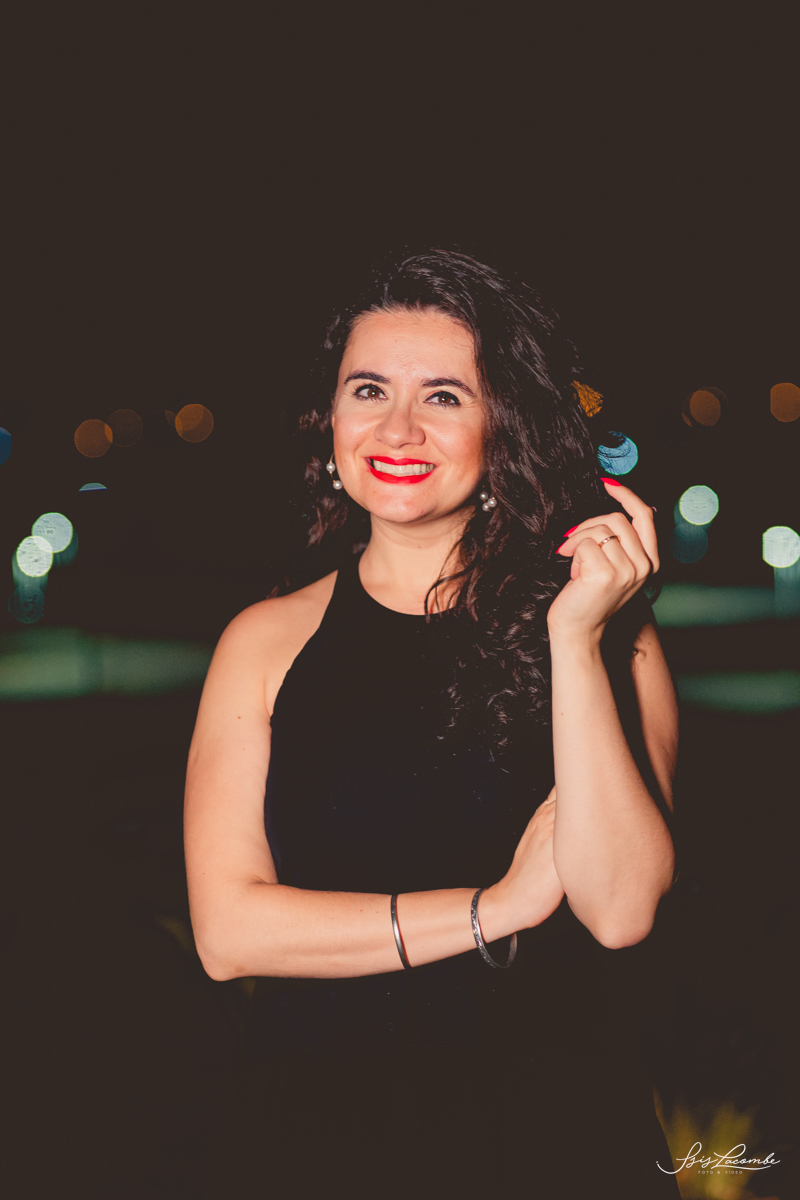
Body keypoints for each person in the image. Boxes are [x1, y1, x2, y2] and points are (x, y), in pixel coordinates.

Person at [184, 249, 681, 1199]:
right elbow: (227, 933)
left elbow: (621, 911)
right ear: (331, 419)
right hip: (313, 1142)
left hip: (553, 1141)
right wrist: (494, 909)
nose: (397, 428)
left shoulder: (606, 632)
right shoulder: (265, 641)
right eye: (368, 389)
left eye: (444, 396)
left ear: (504, 424)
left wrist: (575, 640)